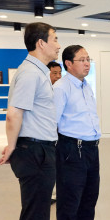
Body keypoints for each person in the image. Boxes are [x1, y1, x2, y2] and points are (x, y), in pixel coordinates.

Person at [0, 22, 63, 220]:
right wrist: (12, 146)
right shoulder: (29, 74)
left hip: (40, 148)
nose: (58, 45)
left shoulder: (37, 72)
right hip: (33, 150)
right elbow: (14, 113)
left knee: (38, 215)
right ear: (41, 43)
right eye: (55, 39)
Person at [53, 45, 106, 220]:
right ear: (68, 64)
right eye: (82, 60)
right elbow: (53, 122)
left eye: (88, 59)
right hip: (71, 149)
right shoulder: (61, 88)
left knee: (89, 197)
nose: (87, 63)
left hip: (91, 148)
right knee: (69, 200)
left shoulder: (85, 85)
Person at [47, 61, 62, 205]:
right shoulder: (45, 91)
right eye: (54, 73)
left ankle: (57, 192)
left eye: (59, 73)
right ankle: (50, 193)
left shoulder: (61, 89)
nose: (58, 76)